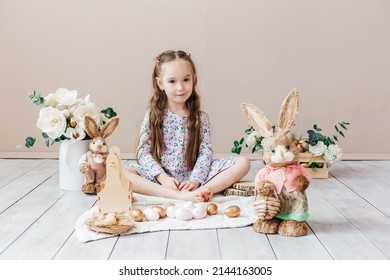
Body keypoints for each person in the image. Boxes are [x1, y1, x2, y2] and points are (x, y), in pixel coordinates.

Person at [124, 50, 250, 202]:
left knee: (243, 162)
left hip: (194, 177)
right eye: (172, 81)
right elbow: (143, 152)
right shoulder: (153, 115)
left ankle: (203, 191)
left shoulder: (199, 118)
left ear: (193, 79)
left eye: (185, 80)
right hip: (160, 179)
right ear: (160, 83)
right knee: (119, 171)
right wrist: (163, 178)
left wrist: (195, 180)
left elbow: (205, 153)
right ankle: (175, 195)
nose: (180, 87)